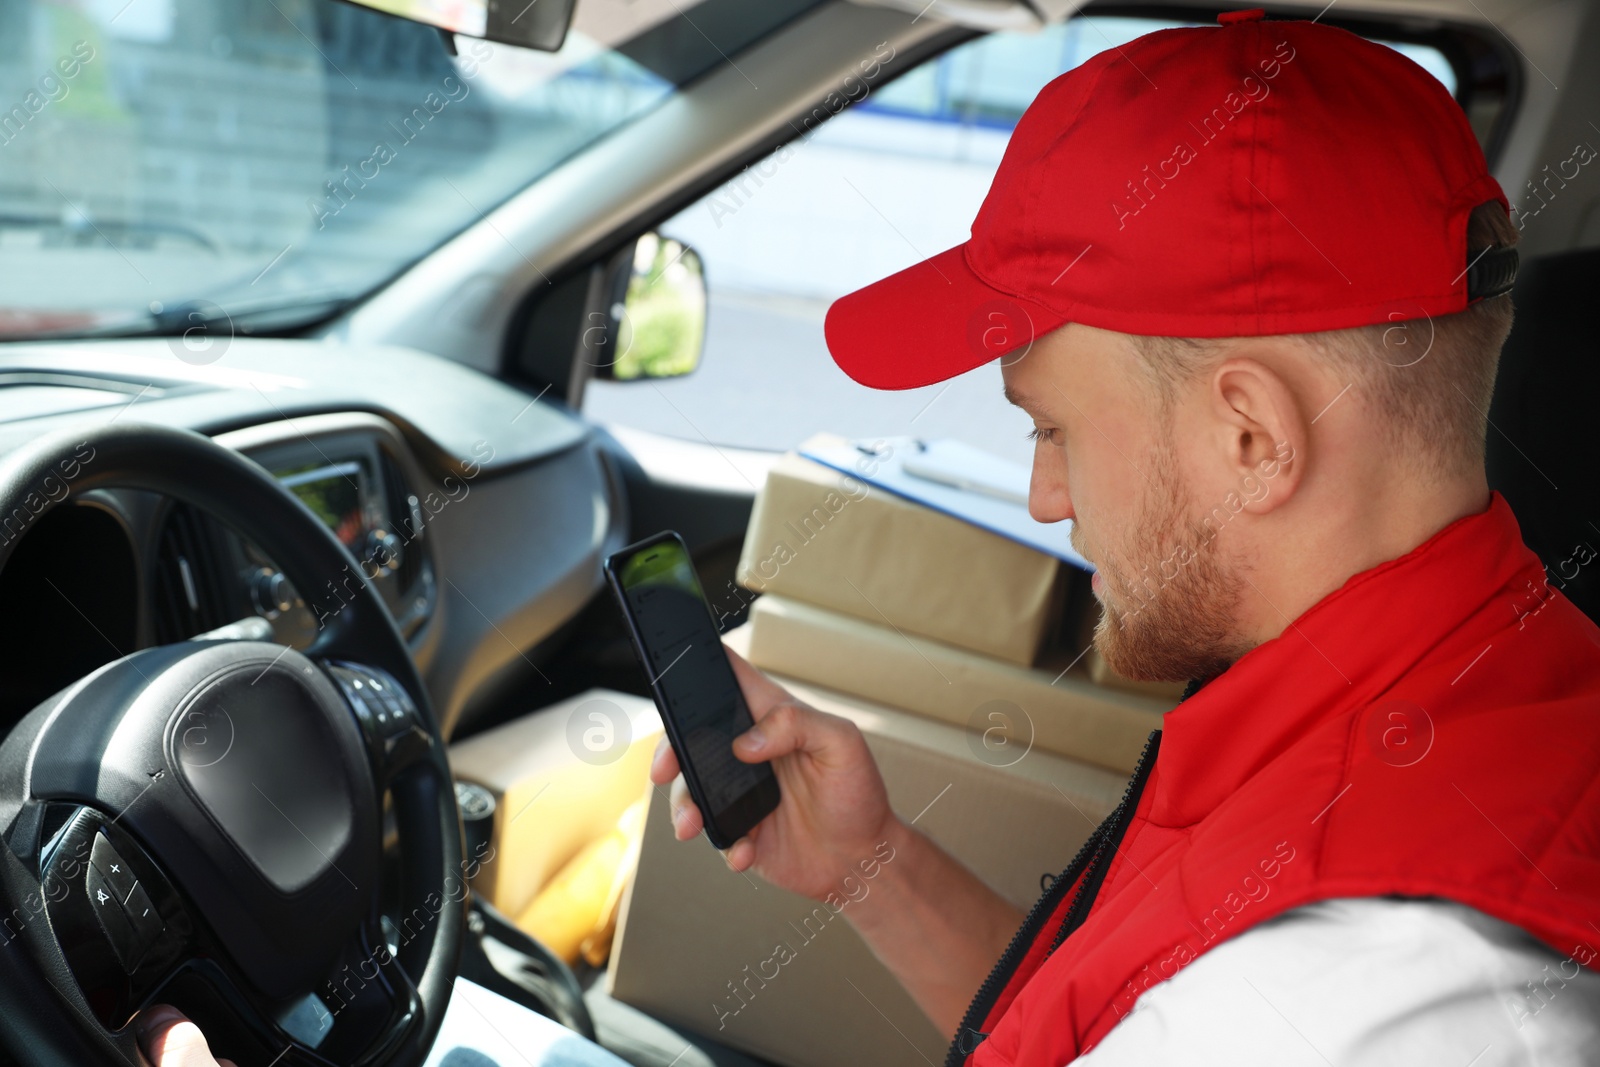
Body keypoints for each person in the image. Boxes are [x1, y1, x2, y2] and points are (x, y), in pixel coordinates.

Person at [649, 11, 1600, 1066]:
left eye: (1049, 427)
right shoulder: (1489, 681)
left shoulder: (1349, 995)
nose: (1045, 495)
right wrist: (870, 862)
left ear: (1252, 439)